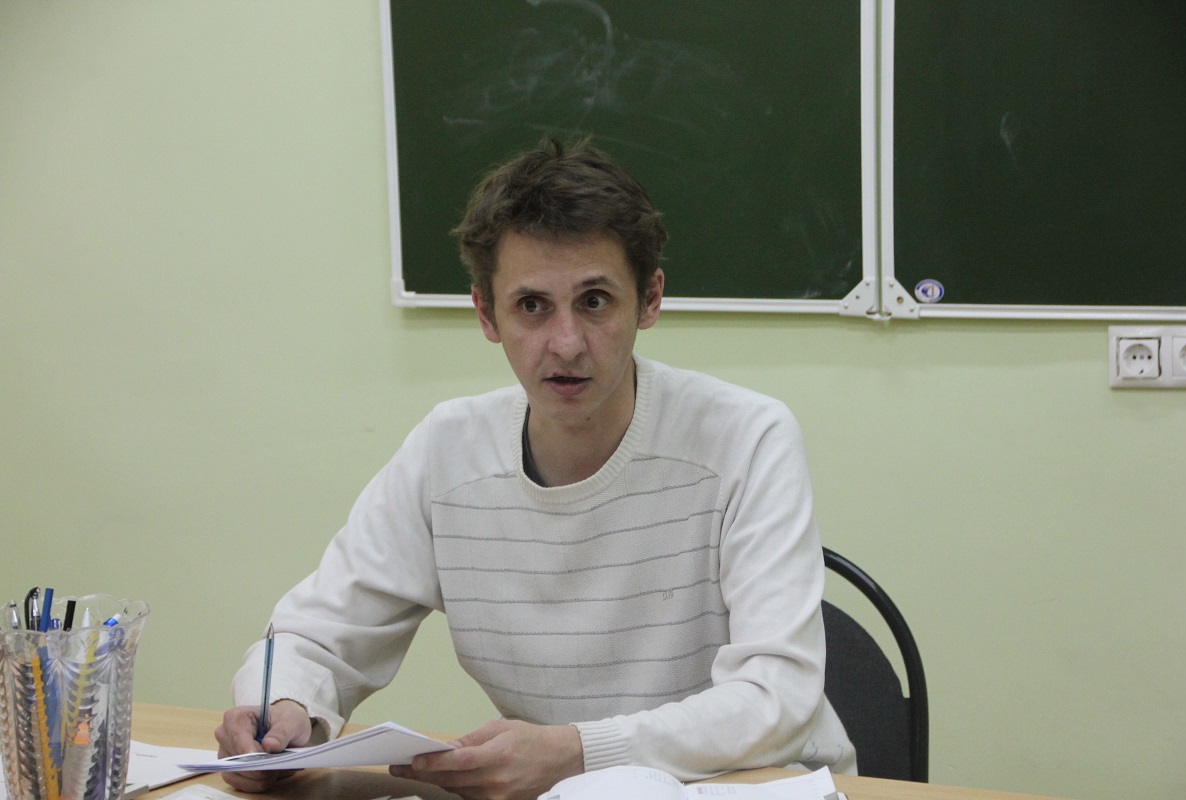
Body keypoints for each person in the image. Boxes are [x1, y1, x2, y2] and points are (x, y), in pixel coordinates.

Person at [214, 137, 855, 800]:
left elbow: (777, 697)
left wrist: (577, 752)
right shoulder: (447, 451)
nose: (566, 343)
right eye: (531, 306)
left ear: (650, 299)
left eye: (595, 301)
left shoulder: (747, 438)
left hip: (758, 788)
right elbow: (315, 635)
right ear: (486, 314)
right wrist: (284, 706)